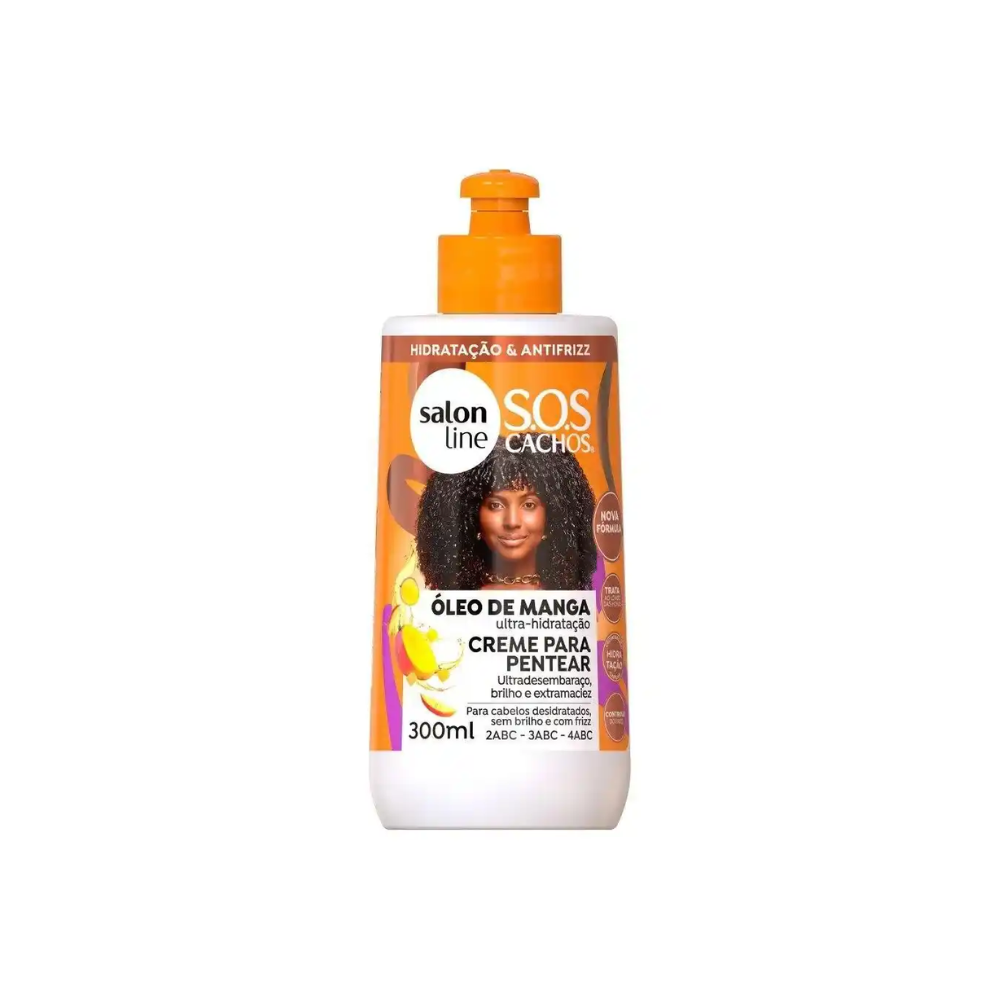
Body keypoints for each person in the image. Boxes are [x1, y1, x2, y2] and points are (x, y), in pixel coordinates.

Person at [416, 435, 597, 591]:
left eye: (529, 505)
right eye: (496, 505)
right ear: (471, 515)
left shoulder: (573, 596)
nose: (512, 522)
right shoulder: (449, 598)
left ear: (553, 514)